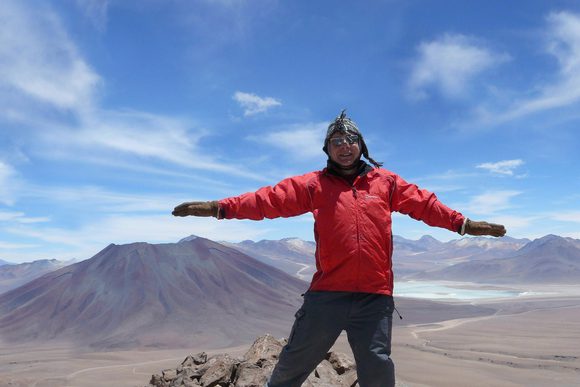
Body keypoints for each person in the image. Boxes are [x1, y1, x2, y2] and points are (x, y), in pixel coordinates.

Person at [172, 110, 506, 387]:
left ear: (361, 145)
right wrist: (220, 207)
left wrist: (463, 224)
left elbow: (425, 204)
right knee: (292, 364)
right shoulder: (314, 186)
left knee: (378, 370)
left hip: (374, 297)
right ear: (327, 149)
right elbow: (267, 200)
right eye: (336, 142)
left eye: (350, 141)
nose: (344, 147)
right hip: (327, 294)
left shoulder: (385, 182)